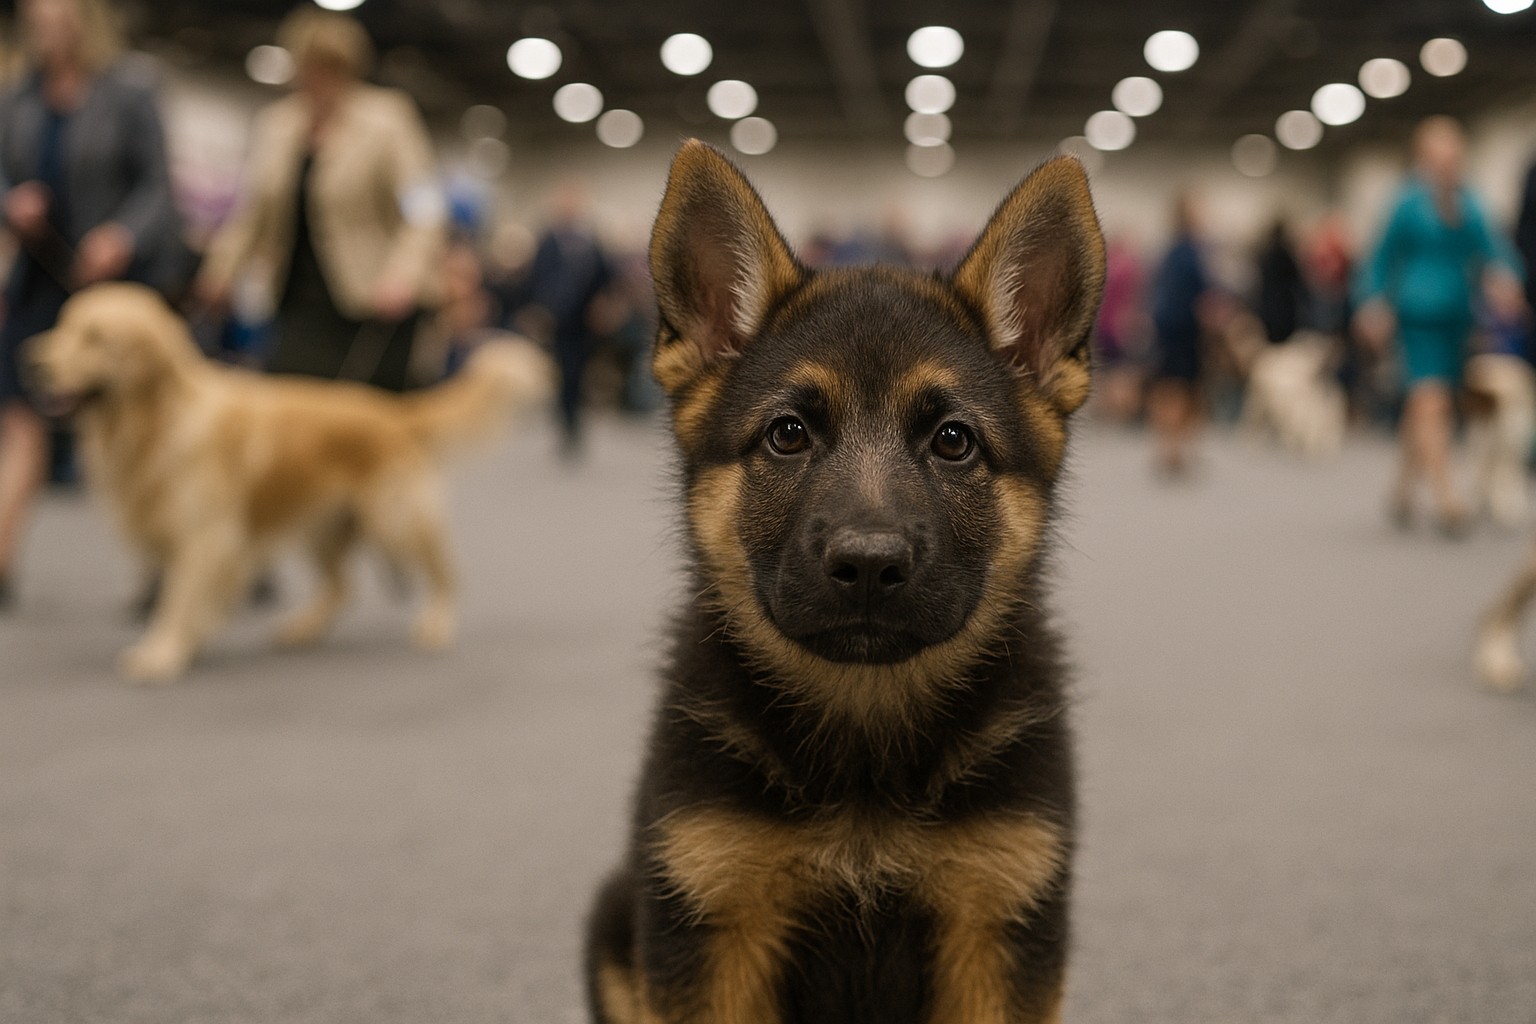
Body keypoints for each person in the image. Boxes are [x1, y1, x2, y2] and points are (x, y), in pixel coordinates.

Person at [0, 0, 180, 609]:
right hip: (41, 278)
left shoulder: (129, 87)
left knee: (142, 434)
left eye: (60, 20)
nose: (48, 31)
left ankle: (163, 564)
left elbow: (159, 184)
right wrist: (12, 203)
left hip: (115, 288)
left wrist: (122, 235)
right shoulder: (19, 94)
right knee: (22, 417)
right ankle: (0, 562)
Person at [196, 7, 446, 392]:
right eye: (308, 67)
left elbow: (426, 210)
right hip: (296, 302)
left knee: (365, 433)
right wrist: (221, 272)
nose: (316, 80)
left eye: (329, 69)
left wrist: (402, 277)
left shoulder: (389, 119)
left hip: (371, 305)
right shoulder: (276, 124)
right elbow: (252, 212)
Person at [1355, 116, 1525, 535]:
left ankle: (1402, 488)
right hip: (1417, 316)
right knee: (1432, 401)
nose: (1448, 164)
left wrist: (1505, 280)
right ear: (1423, 159)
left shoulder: (1472, 204)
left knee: (1429, 402)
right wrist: (1371, 303)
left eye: (1454, 156)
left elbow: (1495, 250)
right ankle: (1447, 494)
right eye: (1439, 156)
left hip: (1458, 319)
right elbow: (1380, 258)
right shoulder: (1405, 204)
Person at [516, 183, 613, 456]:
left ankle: (576, 423)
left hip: (584, 321)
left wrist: (605, 305)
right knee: (560, 373)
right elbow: (533, 278)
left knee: (579, 373)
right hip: (553, 320)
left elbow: (605, 277)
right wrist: (533, 310)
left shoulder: (591, 241)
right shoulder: (547, 241)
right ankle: (565, 424)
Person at [1147, 195, 1212, 478]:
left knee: (1173, 388)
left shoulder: (1170, 252)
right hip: (1183, 331)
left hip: (1168, 329)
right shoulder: (1189, 253)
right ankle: (1173, 450)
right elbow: (1203, 296)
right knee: (1180, 390)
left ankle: (1172, 449)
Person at [1257, 219, 1305, 344]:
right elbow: (1297, 279)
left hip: (1269, 304)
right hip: (1283, 306)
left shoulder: (1265, 253)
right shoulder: (1283, 255)